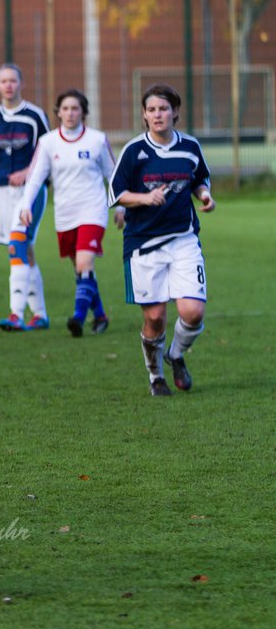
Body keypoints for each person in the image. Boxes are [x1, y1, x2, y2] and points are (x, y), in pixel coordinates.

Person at [108, 83, 214, 397]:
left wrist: (205, 195)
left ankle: (175, 355)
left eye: (164, 109)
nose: (158, 115)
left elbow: (199, 179)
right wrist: (144, 197)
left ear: (175, 113)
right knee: (155, 318)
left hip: (183, 240)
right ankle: (156, 376)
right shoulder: (134, 151)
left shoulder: (190, 147)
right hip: (143, 244)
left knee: (193, 312)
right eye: (152, 110)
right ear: (144, 115)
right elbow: (116, 194)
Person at [16, 89, 125, 338]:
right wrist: (25, 205)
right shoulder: (48, 142)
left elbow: (114, 175)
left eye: (75, 108)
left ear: (83, 112)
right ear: (58, 113)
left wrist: (121, 206)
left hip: (93, 209)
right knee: (80, 269)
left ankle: (77, 317)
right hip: (65, 212)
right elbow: (35, 177)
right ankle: (100, 315)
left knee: (86, 263)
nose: (70, 113)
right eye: (65, 108)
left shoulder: (97, 140)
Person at [0, 64, 51, 331]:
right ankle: (41, 315)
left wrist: (28, 172)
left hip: (30, 192)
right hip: (2, 192)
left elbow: (49, 154)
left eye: (13, 80)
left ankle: (16, 314)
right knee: (25, 250)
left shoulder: (35, 116)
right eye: (3, 81)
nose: (8, 85)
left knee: (17, 246)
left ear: (21, 83)